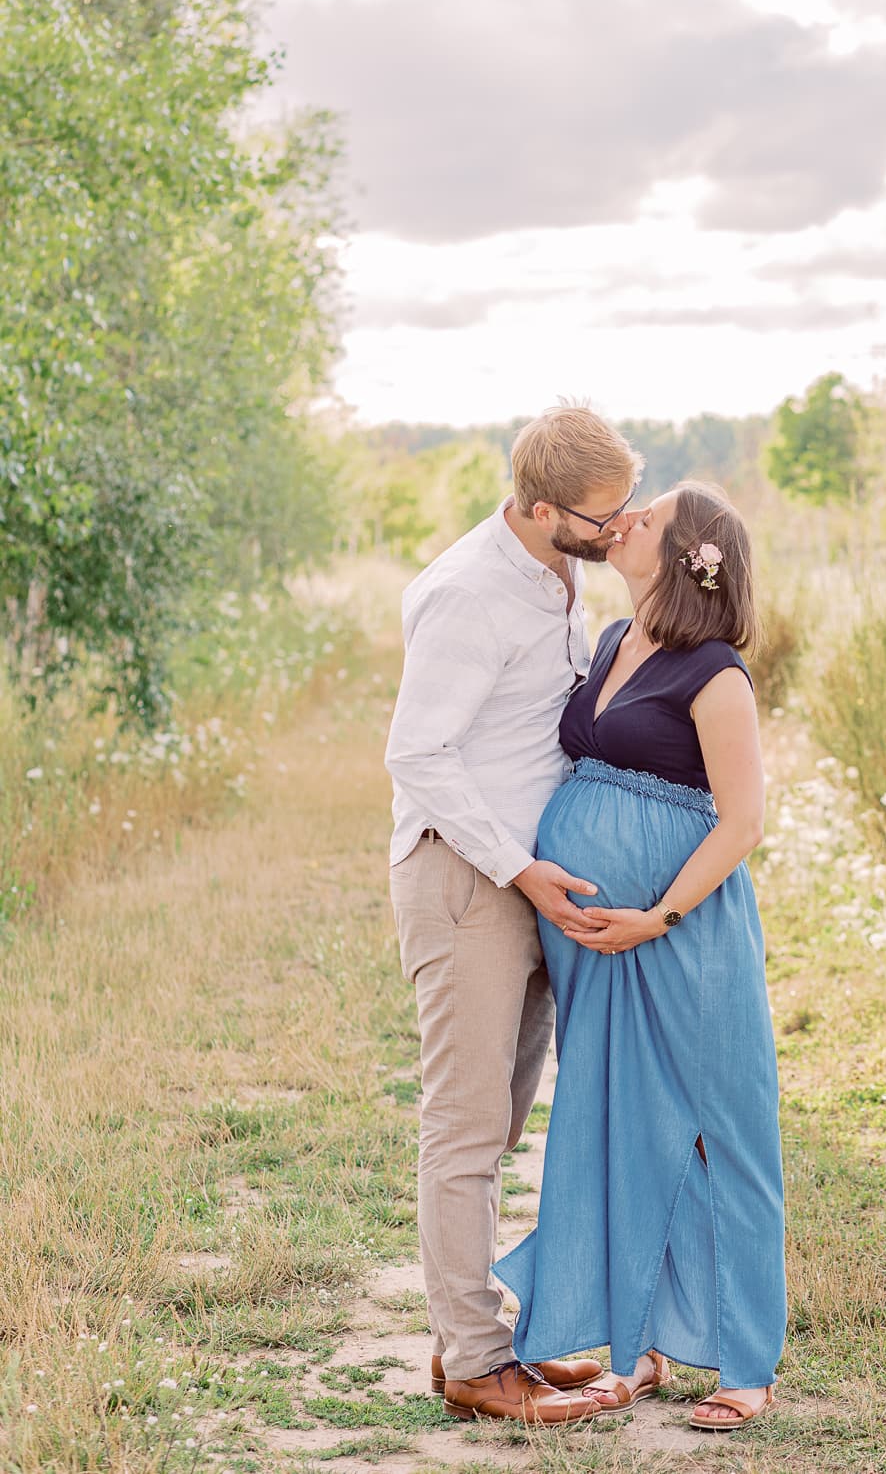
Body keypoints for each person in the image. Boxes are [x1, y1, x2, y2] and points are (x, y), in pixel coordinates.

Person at [493, 481, 787, 1432]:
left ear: (690, 555)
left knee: (717, 1125)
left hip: (679, 930)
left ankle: (746, 1362)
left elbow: (742, 820)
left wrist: (654, 915)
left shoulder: (718, 674)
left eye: (649, 517)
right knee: (617, 1117)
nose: (627, 520)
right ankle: (637, 1350)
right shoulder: (616, 641)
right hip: (590, 940)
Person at [384, 405, 643, 1426]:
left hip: (530, 877)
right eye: (603, 514)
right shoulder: (467, 594)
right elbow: (417, 755)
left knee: (499, 1128)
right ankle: (477, 1364)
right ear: (543, 510)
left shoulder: (561, 571)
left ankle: (479, 1342)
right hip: (467, 878)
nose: (620, 526)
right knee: (463, 1125)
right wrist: (520, 869)